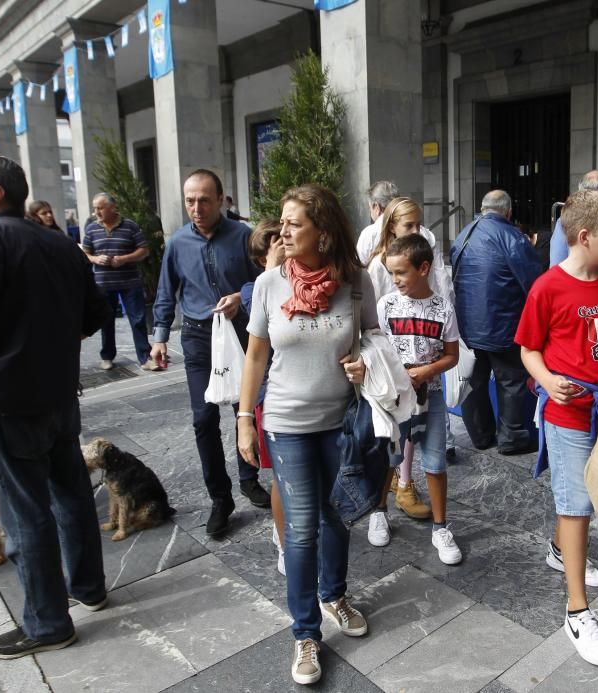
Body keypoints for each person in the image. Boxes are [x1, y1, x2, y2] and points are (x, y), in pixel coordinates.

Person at [0, 154, 109, 658]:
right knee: (72, 493)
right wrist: (51, 343)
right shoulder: (59, 244)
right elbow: (94, 313)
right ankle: (89, 588)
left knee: (26, 509)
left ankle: (48, 623)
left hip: (11, 402)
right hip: (58, 395)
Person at [237, 183, 375, 686]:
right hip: (287, 423)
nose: (283, 230)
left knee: (336, 515)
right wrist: (244, 419)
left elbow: (376, 336)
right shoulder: (271, 284)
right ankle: (304, 633)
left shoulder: (355, 283)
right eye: (282, 221)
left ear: (323, 229)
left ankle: (334, 593)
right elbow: (255, 355)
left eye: (294, 222)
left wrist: (367, 362)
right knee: (300, 529)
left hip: (341, 421)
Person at [516, 190, 598, 667]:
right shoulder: (548, 288)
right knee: (576, 502)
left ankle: (562, 550)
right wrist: (547, 382)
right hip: (568, 411)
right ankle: (577, 610)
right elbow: (528, 348)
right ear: (584, 237)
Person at [150, 170, 272, 536]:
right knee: (204, 419)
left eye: (204, 199)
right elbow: (165, 290)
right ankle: (220, 498)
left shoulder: (243, 236)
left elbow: (264, 277)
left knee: (244, 410)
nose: (197, 207)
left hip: (240, 332)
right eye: (190, 200)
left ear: (221, 199)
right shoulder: (177, 243)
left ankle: (249, 479)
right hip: (199, 338)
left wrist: (240, 296)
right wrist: (158, 337)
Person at [369, 233, 462, 563]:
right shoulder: (386, 305)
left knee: (435, 462)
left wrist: (427, 371)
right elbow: (376, 345)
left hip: (430, 396)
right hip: (394, 398)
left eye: (401, 272)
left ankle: (440, 527)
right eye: (391, 273)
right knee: (389, 456)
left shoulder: (442, 309)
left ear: (423, 268)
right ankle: (378, 511)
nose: (395, 280)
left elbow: (452, 355)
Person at [450, 189, 542, 454]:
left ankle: (480, 436)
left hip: (468, 327)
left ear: (483, 208)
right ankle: (511, 439)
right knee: (511, 381)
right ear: (509, 211)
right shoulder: (513, 237)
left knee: (472, 381)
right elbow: (533, 282)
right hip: (504, 326)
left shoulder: (463, 234)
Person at [239, 220, 287, 575]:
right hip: (270, 396)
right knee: (280, 478)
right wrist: (274, 268)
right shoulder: (253, 289)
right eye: (277, 245)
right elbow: (258, 350)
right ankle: (283, 537)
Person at [82, 192, 158, 372]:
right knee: (106, 321)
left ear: (112, 207)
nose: (96, 212)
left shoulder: (130, 226)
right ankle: (107, 356)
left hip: (130, 282)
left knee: (138, 319)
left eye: (100, 208)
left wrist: (124, 259)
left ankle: (145, 358)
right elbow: (84, 253)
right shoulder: (92, 228)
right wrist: (95, 259)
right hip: (103, 284)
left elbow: (144, 250)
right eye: (95, 208)